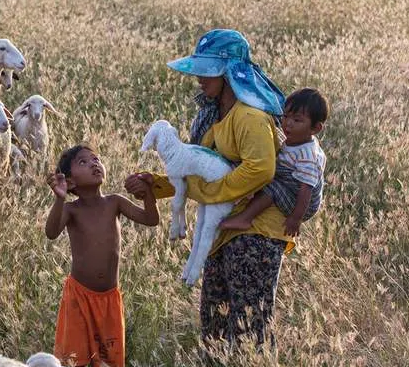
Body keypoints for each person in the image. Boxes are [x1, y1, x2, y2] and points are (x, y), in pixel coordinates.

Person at [127, 28, 288, 348]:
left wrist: (211, 194)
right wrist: (153, 186)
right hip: (223, 228)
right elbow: (198, 170)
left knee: (247, 329)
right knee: (213, 328)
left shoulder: (250, 117)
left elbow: (261, 169)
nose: (199, 78)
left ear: (229, 72)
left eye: (207, 71)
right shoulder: (211, 116)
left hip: (256, 232)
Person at [45, 144, 159, 367]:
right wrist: (59, 198)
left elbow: (150, 219)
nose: (95, 163)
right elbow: (51, 232)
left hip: (109, 299)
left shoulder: (115, 202)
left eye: (96, 159)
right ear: (70, 181)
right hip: (79, 297)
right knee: (77, 360)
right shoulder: (72, 209)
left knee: (106, 363)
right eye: (84, 162)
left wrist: (148, 193)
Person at [220, 88, 328, 236]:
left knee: (271, 186)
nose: (288, 124)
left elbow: (306, 190)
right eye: (285, 116)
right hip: (294, 188)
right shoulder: (296, 139)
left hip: (302, 203)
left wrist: (296, 219)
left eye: (297, 120)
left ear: (315, 128)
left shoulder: (308, 156)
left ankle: (245, 218)